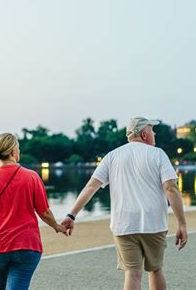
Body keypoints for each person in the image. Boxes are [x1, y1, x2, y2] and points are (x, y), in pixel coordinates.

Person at [61, 117, 188, 290]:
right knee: (155, 270)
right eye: (152, 130)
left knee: (132, 273)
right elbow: (171, 189)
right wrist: (182, 223)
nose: (155, 133)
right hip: (153, 224)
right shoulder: (158, 154)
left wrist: (71, 215)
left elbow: (91, 186)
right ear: (144, 134)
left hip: (124, 224)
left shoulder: (112, 156)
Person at [0, 133, 67, 290]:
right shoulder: (32, 177)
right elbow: (44, 212)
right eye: (18, 148)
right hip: (25, 246)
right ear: (13, 152)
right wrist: (57, 226)